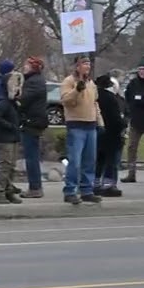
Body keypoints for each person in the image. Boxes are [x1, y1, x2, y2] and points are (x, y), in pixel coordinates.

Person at [58, 55, 102, 205]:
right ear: (77, 66)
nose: (87, 66)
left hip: (91, 125)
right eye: (84, 63)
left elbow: (95, 103)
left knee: (89, 161)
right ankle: (70, 190)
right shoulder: (69, 82)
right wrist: (77, 90)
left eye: (89, 63)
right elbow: (65, 101)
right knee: (75, 161)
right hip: (76, 125)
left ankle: (86, 190)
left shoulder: (91, 83)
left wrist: (99, 122)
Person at [16, 57, 49, 199]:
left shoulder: (33, 82)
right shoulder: (35, 80)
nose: (24, 67)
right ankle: (35, 186)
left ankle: (35, 187)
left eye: (27, 65)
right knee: (32, 155)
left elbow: (23, 99)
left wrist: (15, 95)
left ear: (34, 67)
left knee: (31, 157)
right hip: (35, 120)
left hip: (32, 121)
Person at [0, 72, 24, 204]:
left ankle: (8, 190)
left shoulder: (13, 103)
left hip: (13, 138)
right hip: (4, 139)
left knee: (11, 167)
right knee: (3, 166)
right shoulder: (3, 103)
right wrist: (10, 126)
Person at [94, 74, 125, 197]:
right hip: (112, 134)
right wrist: (123, 125)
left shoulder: (95, 96)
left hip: (98, 132)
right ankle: (108, 185)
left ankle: (95, 184)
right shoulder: (110, 98)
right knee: (111, 161)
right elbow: (116, 119)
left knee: (99, 161)